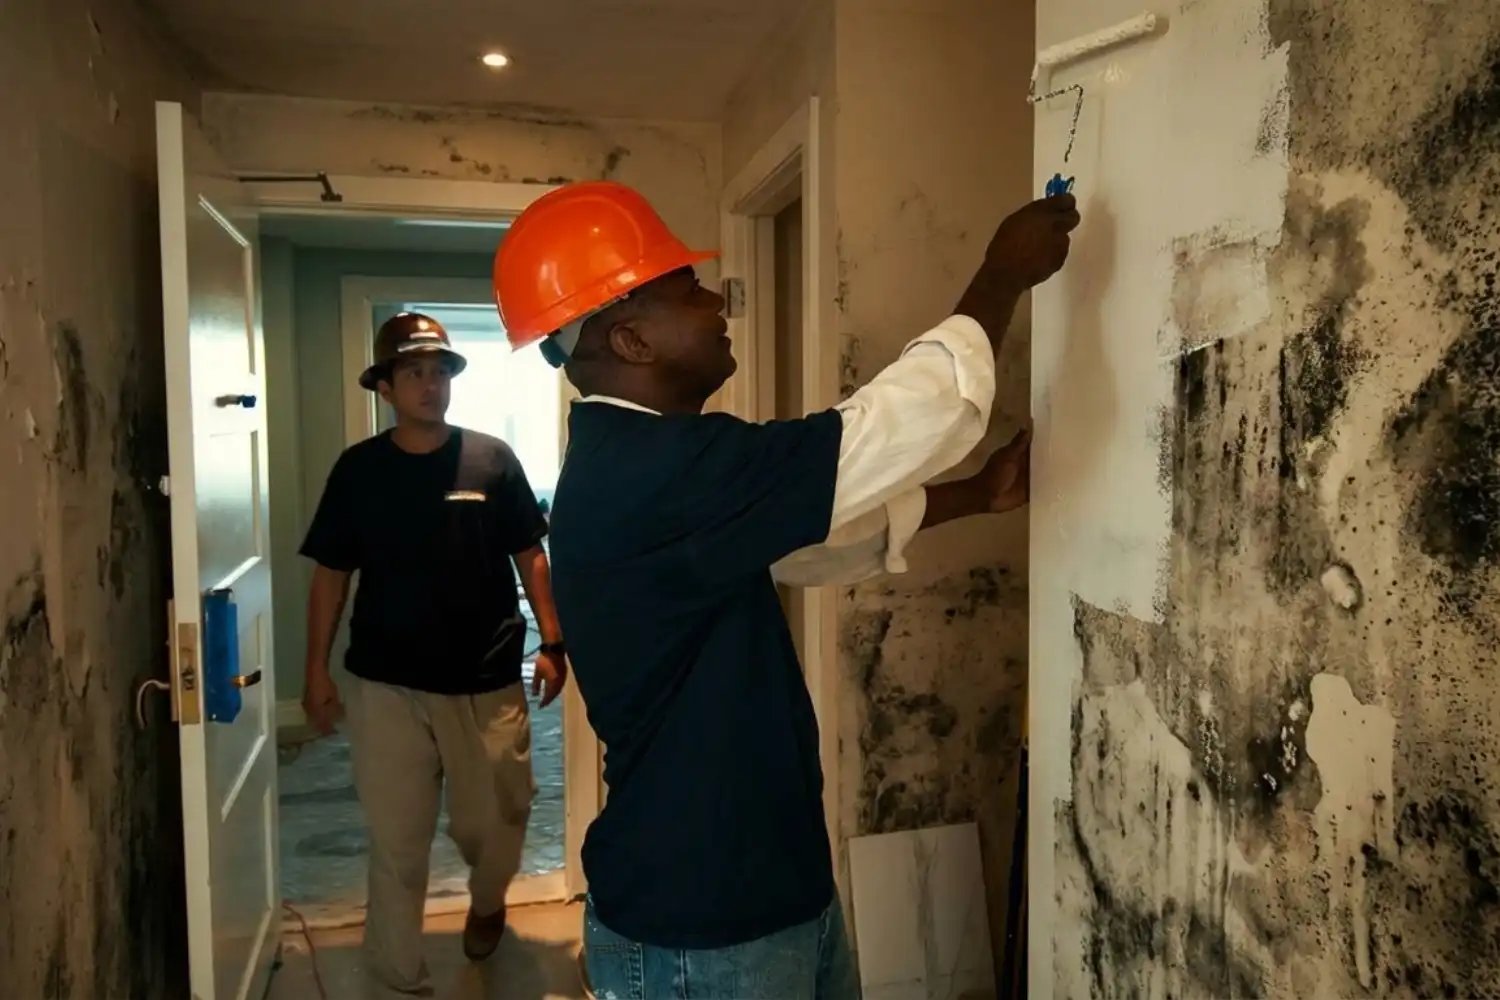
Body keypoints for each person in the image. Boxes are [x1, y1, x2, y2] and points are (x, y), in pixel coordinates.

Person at [493, 181, 1078, 999]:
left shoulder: (646, 465)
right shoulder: (660, 473)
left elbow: (804, 540)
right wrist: (1000, 274)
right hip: (704, 925)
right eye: (686, 289)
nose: (716, 300)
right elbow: (913, 416)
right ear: (630, 338)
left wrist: (976, 496)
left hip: (762, 893)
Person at [298, 311, 567, 998]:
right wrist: (315, 673)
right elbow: (331, 573)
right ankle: (397, 978)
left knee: (497, 825)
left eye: (439, 372)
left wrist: (555, 642)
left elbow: (530, 556)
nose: (430, 384)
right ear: (385, 387)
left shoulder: (491, 460)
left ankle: (486, 900)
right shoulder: (359, 471)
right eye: (414, 372)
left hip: (486, 678)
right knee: (398, 843)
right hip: (387, 684)